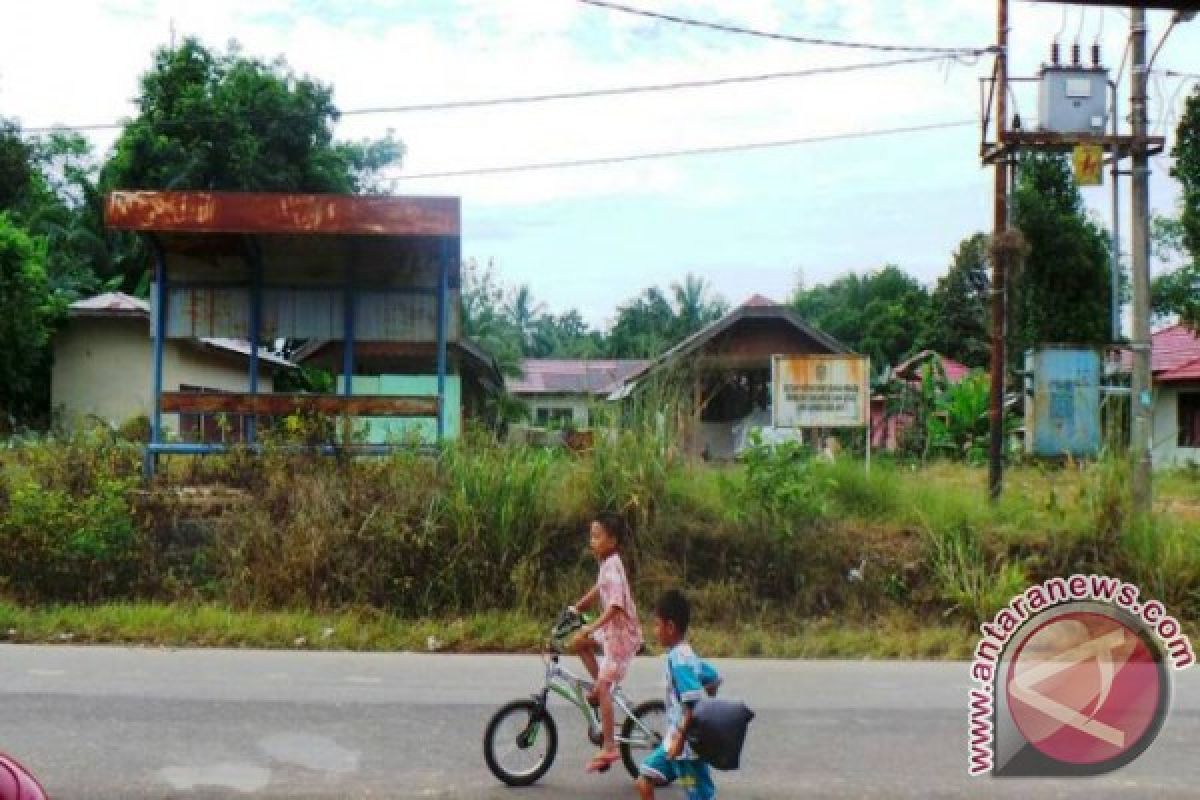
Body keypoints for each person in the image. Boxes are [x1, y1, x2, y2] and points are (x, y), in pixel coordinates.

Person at [570, 511, 643, 773]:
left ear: (612, 541)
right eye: (591, 536)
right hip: (613, 633)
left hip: (621, 638)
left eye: (597, 536)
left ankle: (610, 746)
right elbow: (598, 589)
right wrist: (577, 608)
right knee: (578, 645)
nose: (592, 540)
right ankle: (603, 689)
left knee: (602, 688)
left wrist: (590, 626)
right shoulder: (608, 563)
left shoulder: (612, 567)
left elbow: (614, 606)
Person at [636, 589, 716, 800]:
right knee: (645, 778)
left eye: (656, 624)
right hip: (675, 746)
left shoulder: (679, 660)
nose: (654, 630)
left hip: (686, 747)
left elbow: (694, 702)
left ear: (670, 627)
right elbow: (713, 677)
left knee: (699, 794)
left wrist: (680, 738)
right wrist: (710, 686)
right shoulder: (685, 653)